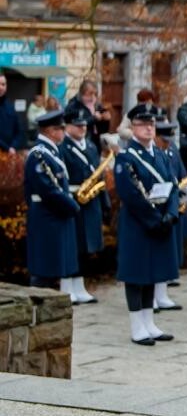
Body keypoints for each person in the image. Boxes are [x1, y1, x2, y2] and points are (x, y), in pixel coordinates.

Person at [113, 104, 179, 347]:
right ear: (132, 128)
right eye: (142, 124)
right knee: (136, 273)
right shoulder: (126, 157)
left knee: (153, 272)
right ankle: (136, 326)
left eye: (151, 124)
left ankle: (149, 322)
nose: (149, 128)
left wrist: (171, 214)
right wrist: (153, 220)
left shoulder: (160, 155)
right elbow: (130, 195)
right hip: (138, 223)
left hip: (162, 220)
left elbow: (173, 186)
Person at [25, 109, 79, 289]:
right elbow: (48, 189)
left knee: (54, 271)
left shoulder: (53, 151)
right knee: (44, 270)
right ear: (49, 131)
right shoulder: (39, 154)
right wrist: (72, 206)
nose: (63, 132)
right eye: (60, 128)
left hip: (55, 216)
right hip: (46, 218)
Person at [59, 104, 106, 304]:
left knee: (86, 245)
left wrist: (104, 201)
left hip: (91, 200)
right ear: (68, 126)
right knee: (72, 245)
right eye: (78, 125)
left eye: (84, 125)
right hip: (73, 198)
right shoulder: (63, 147)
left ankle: (79, 286)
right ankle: (66, 286)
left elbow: (98, 173)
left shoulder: (91, 146)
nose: (82, 128)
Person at [153, 118, 187, 309]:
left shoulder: (171, 150)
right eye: (164, 140)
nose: (167, 143)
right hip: (156, 206)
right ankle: (152, 296)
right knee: (155, 253)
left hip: (172, 204)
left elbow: (180, 174)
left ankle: (162, 294)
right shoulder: (153, 153)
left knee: (168, 251)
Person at [67, 79, 110, 150]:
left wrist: (105, 120)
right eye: (90, 93)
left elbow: (103, 130)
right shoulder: (74, 106)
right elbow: (77, 123)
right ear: (82, 93)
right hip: (80, 144)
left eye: (95, 94)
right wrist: (94, 118)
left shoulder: (97, 106)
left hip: (95, 144)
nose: (93, 97)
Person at [0, 74, 26, 152]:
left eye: (3, 84)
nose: (1, 87)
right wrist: (7, 148)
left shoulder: (10, 106)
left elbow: (19, 130)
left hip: (9, 154)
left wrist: (14, 146)